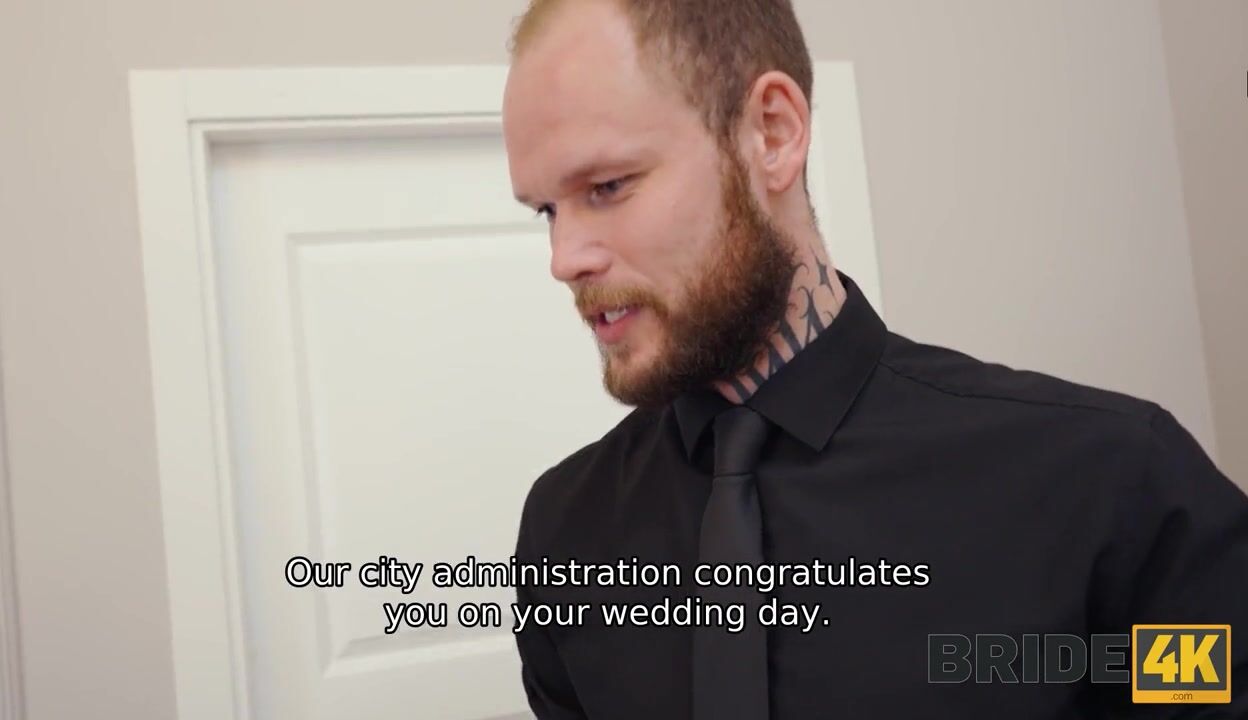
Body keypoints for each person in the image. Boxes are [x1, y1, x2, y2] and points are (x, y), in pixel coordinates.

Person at [500, 1, 1248, 718]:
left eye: (607, 187)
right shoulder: (565, 534)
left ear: (772, 134)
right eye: (546, 211)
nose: (564, 259)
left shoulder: (1111, 488)